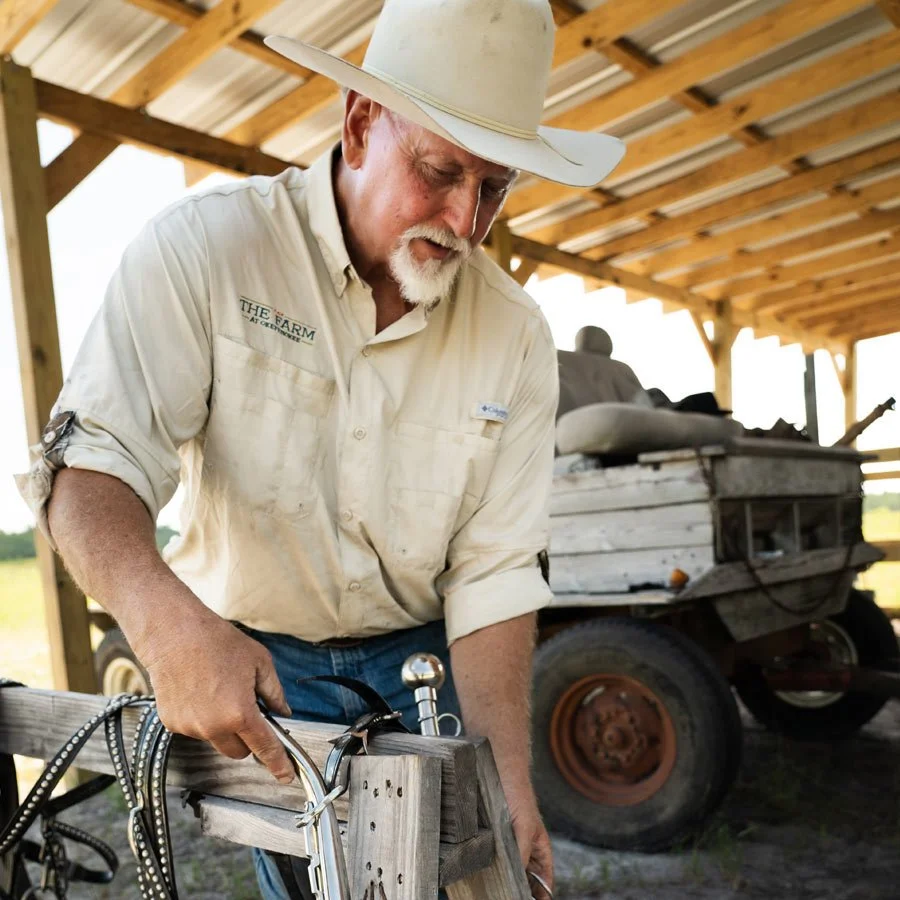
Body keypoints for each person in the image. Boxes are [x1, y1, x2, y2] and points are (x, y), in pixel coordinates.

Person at [16, 0, 624, 895]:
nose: (465, 219)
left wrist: (511, 784)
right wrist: (166, 622)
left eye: (494, 186)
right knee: (318, 879)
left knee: (470, 867)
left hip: (425, 652)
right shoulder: (208, 253)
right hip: (254, 652)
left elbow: (495, 573)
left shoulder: (516, 335)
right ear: (360, 122)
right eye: (439, 170)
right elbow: (91, 462)